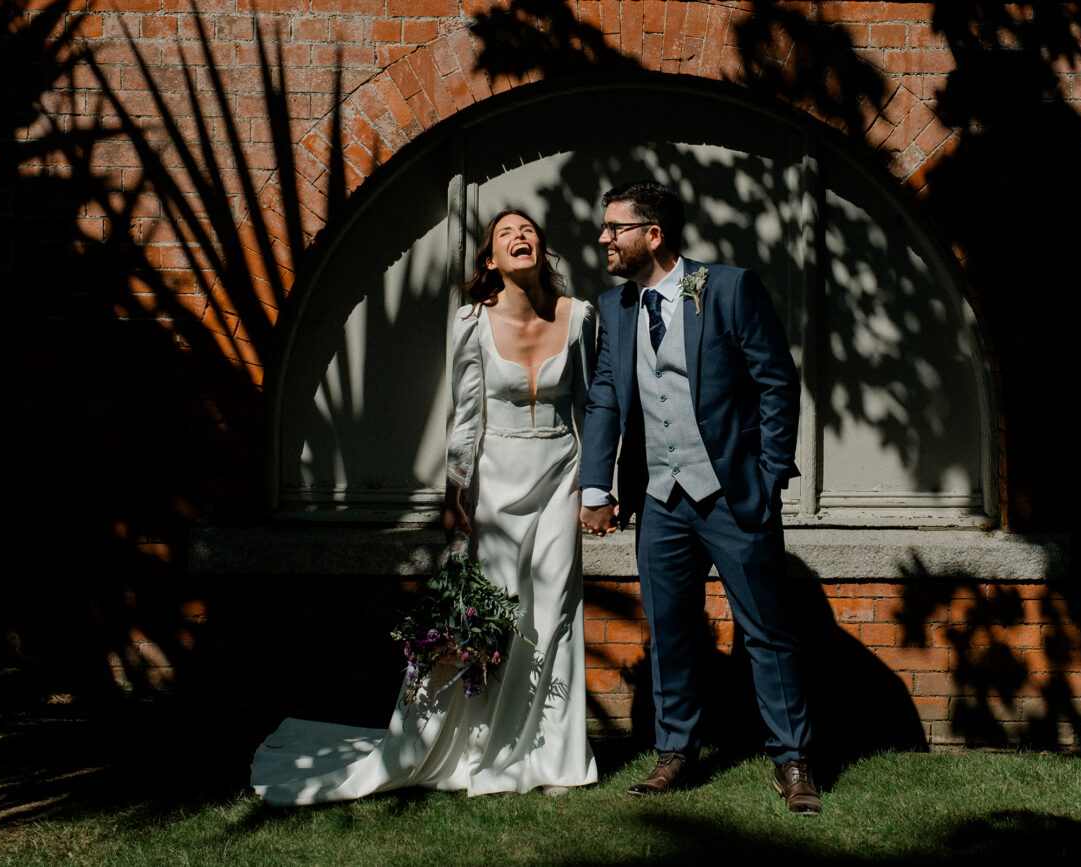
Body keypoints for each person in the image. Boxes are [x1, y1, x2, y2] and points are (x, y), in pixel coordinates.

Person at [251, 210, 599, 804]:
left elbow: (595, 407)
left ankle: (550, 755)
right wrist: (453, 495)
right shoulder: (471, 322)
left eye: (530, 230)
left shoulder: (582, 317)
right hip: (496, 479)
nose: (522, 237)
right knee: (494, 610)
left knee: (556, 608)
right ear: (490, 259)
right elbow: (464, 417)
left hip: (562, 473)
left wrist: (598, 485)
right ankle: (477, 746)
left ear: (544, 249)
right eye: (506, 232)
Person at [578, 181, 820, 814]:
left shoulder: (727, 288)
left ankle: (792, 760)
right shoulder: (616, 306)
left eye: (614, 227)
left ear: (653, 234)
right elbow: (606, 395)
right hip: (660, 500)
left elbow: (776, 381)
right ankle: (675, 752)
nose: (603, 237)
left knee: (766, 633)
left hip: (733, 495)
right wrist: (597, 485)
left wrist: (769, 475)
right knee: (671, 632)